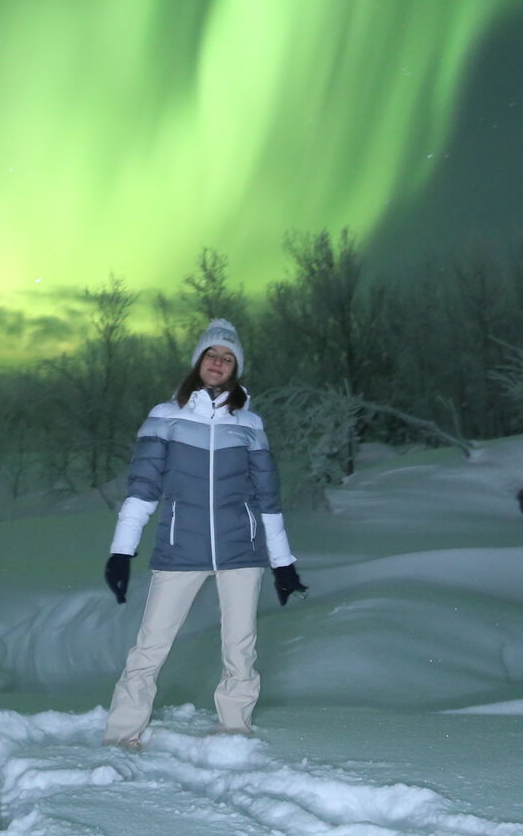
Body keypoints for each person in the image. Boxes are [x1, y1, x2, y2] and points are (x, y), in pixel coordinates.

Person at [101, 318, 307, 748]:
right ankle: (123, 734)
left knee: (240, 648)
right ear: (198, 361)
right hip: (180, 547)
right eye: (212, 354)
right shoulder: (165, 417)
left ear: (236, 369)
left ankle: (234, 729)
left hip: (241, 550)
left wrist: (284, 563)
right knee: (150, 646)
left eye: (227, 358)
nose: (218, 362)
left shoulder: (250, 424)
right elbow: (142, 490)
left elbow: (268, 499)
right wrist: (122, 552)